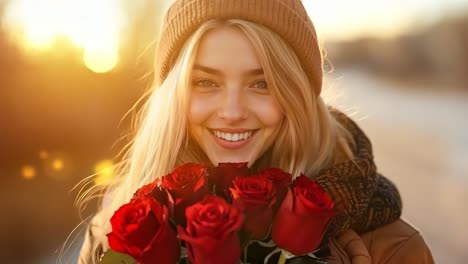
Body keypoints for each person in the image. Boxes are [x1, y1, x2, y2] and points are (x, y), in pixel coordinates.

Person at [76, 0, 434, 263]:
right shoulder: (116, 231)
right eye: (205, 82)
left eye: (261, 83)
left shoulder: (392, 249)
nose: (232, 112)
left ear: (297, 94)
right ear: (174, 97)